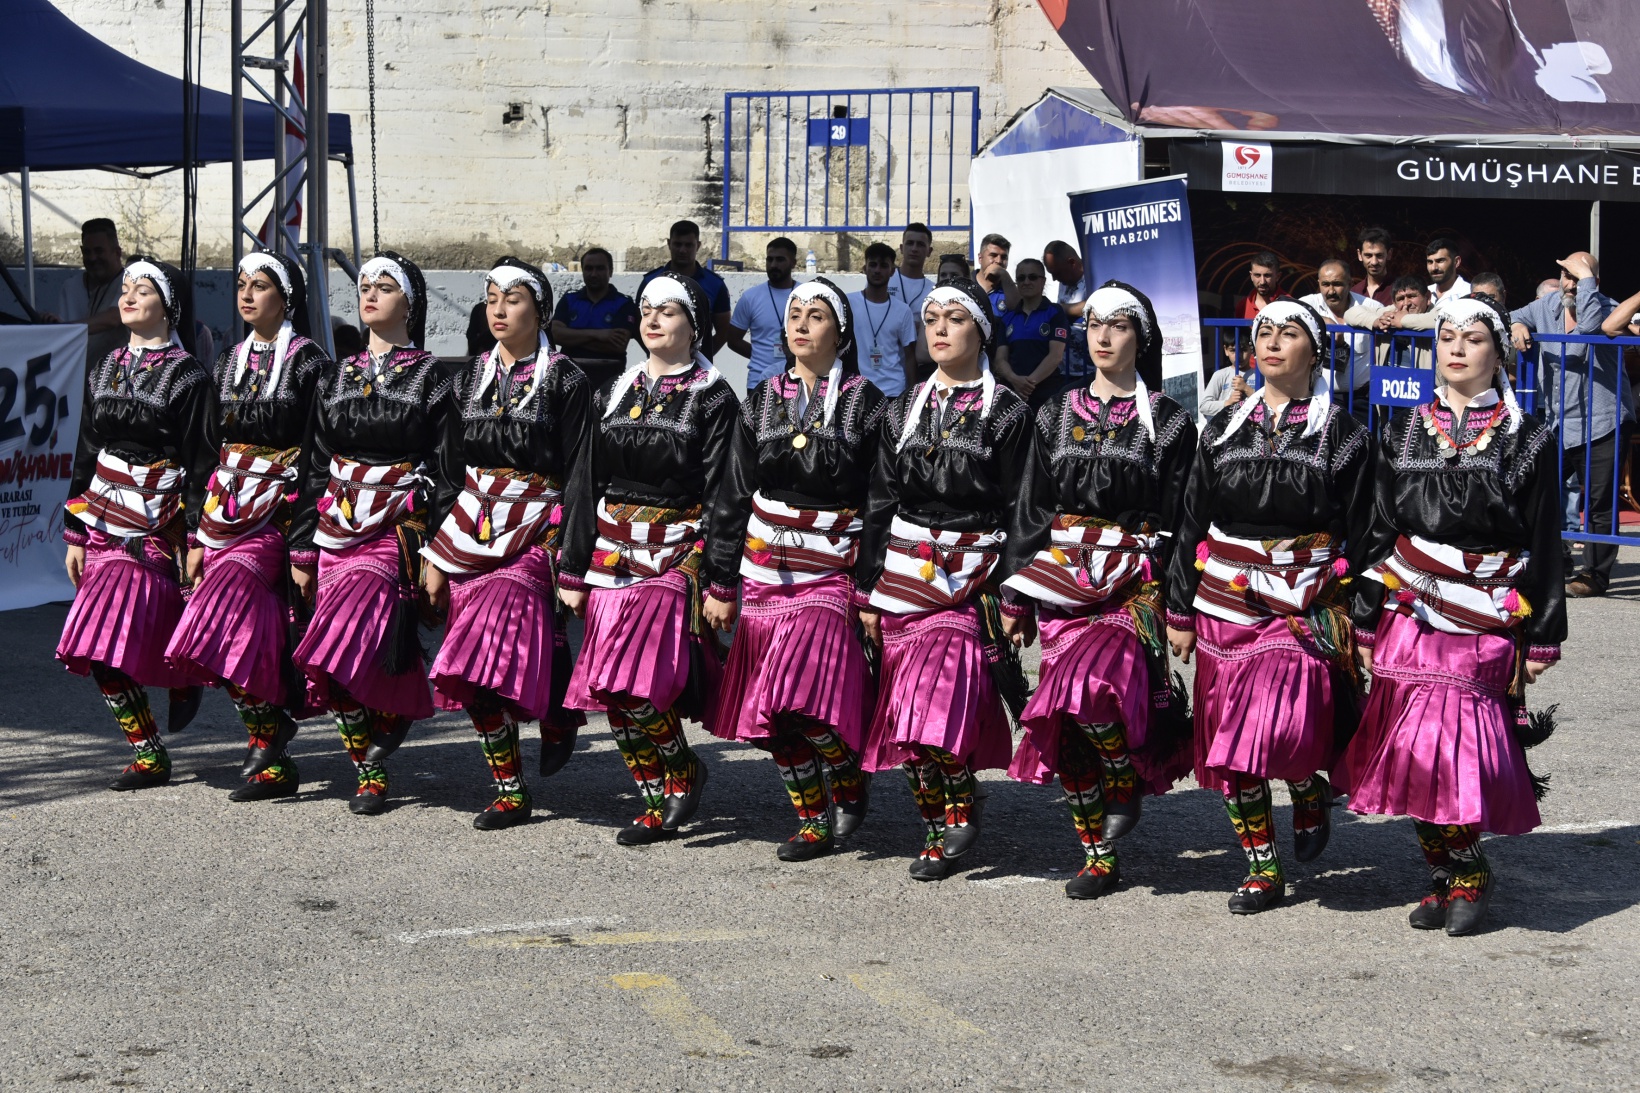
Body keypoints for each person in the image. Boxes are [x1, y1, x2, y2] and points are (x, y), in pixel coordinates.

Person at [1340, 294, 1565, 936]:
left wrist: (1544, 632)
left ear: (1498, 354)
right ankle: (1440, 873)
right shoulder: (1403, 430)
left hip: (1487, 610)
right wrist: (1363, 615)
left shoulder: (1528, 436)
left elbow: (1546, 538)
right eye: (1446, 337)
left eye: (1472, 338)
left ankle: (1469, 874)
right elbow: (1379, 531)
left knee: (1456, 749)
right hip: (1409, 607)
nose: (1457, 348)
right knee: (1412, 749)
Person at [1166, 299, 1375, 915]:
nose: (1273, 341)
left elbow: (1366, 531)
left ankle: (1309, 783)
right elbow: (1190, 522)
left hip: (1302, 603)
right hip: (1223, 604)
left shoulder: (1344, 435)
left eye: (1289, 332)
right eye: (1263, 332)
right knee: (1233, 745)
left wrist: (1365, 615)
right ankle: (1262, 866)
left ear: (1315, 349)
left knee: (1277, 725)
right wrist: (1177, 608)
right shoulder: (1223, 428)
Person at [1002, 282, 1197, 900]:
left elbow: (1181, 516)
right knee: (1067, 724)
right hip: (1062, 582)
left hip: (1130, 585)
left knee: (1089, 691)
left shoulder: (1169, 422)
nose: (1104, 335)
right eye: (1093, 324)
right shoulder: (1055, 414)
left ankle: (1123, 776)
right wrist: (1015, 597)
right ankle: (1096, 854)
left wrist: (1174, 598)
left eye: (1118, 325)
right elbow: (1031, 507)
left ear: (1142, 339)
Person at [856, 279, 1033, 881]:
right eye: (931, 317)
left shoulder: (1009, 414)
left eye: (954, 318)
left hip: (971, 575)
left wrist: (1013, 591)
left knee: (936, 704)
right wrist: (867, 589)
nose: (938, 328)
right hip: (903, 572)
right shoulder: (901, 409)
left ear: (980, 332)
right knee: (905, 712)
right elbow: (880, 501)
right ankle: (936, 820)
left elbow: (1021, 510)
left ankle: (957, 811)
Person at [702, 278, 883, 859]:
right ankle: (810, 817)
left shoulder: (867, 402)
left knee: (801, 695)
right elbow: (732, 494)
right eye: (794, 315)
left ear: (841, 330)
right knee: (773, 712)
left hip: (831, 567)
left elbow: (882, 501)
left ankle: (846, 773)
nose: (801, 324)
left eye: (816, 315)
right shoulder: (759, 401)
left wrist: (873, 584)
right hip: (763, 568)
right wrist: (721, 579)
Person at [559, 274, 739, 845]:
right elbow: (586, 479)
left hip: (673, 555)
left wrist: (716, 575)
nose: (653, 319)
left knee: (638, 684)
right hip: (611, 553)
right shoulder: (613, 389)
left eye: (667, 310)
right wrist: (572, 564)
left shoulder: (714, 396)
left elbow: (725, 491)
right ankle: (653, 791)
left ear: (695, 325)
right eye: (645, 310)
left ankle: (681, 772)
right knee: (610, 688)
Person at [422, 258, 592, 830]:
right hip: (470, 531)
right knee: (474, 675)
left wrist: (568, 559)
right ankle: (510, 787)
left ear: (539, 309)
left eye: (513, 298)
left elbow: (580, 475)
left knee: (481, 656)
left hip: (534, 534)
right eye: (491, 297)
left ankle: (554, 705)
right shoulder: (466, 378)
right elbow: (448, 471)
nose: (498, 308)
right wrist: (435, 553)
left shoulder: (568, 380)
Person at [290, 252, 455, 815]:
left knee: (350, 632)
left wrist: (435, 545)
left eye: (385, 287)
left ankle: (395, 714)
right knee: (333, 661)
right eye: (364, 286)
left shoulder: (434, 377)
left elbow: (445, 464)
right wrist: (302, 545)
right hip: (336, 521)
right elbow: (315, 464)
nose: (370, 294)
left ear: (410, 301)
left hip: (395, 526)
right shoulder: (336, 374)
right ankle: (368, 770)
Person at [164, 252, 328, 802]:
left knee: (225, 605)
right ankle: (270, 752)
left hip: (277, 514)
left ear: (286, 299)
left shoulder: (310, 363)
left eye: (260, 286)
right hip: (225, 509)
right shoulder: (229, 360)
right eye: (241, 286)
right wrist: (194, 532)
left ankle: (278, 731)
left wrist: (305, 538)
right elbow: (207, 449)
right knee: (228, 638)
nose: (247, 295)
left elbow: (318, 456)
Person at [56, 257, 214, 789]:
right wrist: (75, 530)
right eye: (125, 288)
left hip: (156, 521)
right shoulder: (104, 367)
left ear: (167, 307)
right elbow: (85, 448)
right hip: (102, 516)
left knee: (131, 630)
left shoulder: (189, 375)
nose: (127, 297)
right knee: (97, 645)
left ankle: (184, 676)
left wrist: (196, 537)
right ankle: (149, 752)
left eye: (142, 290)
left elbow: (200, 462)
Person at [1510, 251, 1633, 597]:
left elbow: (1590, 331)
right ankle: (1547, 561)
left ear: (1593, 282)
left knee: (1599, 503)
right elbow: (1508, 315)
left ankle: (1594, 575)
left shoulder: (1605, 305)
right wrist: (1518, 325)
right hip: (1558, 421)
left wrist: (1588, 286)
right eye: (1567, 275)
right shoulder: (1547, 305)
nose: (1570, 284)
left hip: (1603, 420)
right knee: (1536, 492)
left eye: (1579, 277)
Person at [638, 221, 732, 359]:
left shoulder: (715, 284)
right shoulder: (650, 281)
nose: (682, 250)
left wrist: (701, 354)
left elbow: (724, 331)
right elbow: (639, 324)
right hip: (658, 364)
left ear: (698, 246)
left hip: (699, 367)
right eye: (677, 244)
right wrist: (657, 352)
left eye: (688, 245)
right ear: (669, 244)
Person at [551, 247, 639, 391]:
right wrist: (598, 334)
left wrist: (571, 339)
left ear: (610, 271)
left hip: (609, 380)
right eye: (589, 268)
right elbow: (555, 334)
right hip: (569, 379)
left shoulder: (624, 304)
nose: (593, 274)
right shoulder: (569, 300)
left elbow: (617, 345)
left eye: (600, 268)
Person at [50, 218, 129, 373]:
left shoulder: (132, 280)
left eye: (99, 251)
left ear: (117, 252)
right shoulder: (78, 287)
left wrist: (65, 329)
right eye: (87, 252)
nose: (93, 258)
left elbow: (113, 318)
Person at [992, 258, 1069, 408]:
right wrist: (1015, 380)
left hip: (1047, 395)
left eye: (1032, 277)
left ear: (1043, 281)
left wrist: (1027, 385)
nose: (1026, 282)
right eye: (1021, 278)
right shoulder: (1008, 318)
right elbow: (1000, 360)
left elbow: (1055, 356)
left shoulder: (1054, 312)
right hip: (1013, 394)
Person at [1300, 258, 1372, 412]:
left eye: (1337, 284)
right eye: (1325, 284)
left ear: (1350, 283)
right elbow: (1279, 308)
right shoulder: (1307, 305)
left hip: (1361, 400)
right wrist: (1321, 320)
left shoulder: (1370, 307)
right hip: (1319, 398)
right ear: (1318, 283)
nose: (1331, 291)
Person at [847, 242, 918, 396]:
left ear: (892, 271)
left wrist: (911, 395)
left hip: (893, 391)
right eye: (873, 265)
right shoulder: (849, 303)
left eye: (884, 266)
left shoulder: (903, 310)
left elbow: (910, 356)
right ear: (865, 268)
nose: (877, 270)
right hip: (858, 390)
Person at [727, 237, 798, 389]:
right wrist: (758, 355)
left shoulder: (805, 295)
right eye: (769, 259)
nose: (773, 265)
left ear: (793, 263)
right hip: (759, 383)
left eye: (780, 260)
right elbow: (733, 340)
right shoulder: (750, 297)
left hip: (798, 382)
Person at [1343, 275, 1436, 370]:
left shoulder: (1438, 312)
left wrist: (1402, 320)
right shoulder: (1391, 313)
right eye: (1400, 299)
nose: (1406, 303)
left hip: (1424, 383)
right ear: (1394, 303)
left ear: (1427, 297)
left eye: (1411, 296)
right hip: (1388, 383)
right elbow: (1350, 313)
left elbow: (1437, 319)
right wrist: (1375, 321)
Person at [1044, 240, 1093, 396]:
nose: (1054, 279)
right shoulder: (1065, 280)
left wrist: (1058, 309)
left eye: (1056, 273)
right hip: (1065, 370)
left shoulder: (1094, 275)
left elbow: (1094, 305)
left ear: (1071, 262)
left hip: (1091, 371)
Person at [889, 223, 936, 379]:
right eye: (910, 243)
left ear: (929, 251)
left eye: (921, 244)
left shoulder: (933, 290)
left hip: (918, 366)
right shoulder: (885, 281)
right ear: (901, 248)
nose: (914, 249)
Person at [1200, 334, 1258, 418]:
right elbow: (1203, 406)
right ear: (1226, 350)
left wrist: (1246, 389)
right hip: (1226, 428)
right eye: (1233, 351)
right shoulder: (1220, 375)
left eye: (1244, 350)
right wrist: (1227, 402)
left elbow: (1269, 404)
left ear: (1251, 350)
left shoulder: (1260, 376)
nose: (1238, 356)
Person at [1231, 251, 1284, 320]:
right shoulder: (1243, 305)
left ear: (1278, 276)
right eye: (1257, 275)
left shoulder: (1290, 305)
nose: (1262, 282)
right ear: (1251, 276)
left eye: (1267, 275)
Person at [975, 233, 1020, 314]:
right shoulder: (967, 283)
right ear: (980, 258)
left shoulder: (1009, 290)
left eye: (1004, 257)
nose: (999, 261)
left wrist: (1005, 276)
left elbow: (1018, 311)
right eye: (993, 255)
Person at [1353, 227, 1395, 306]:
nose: (1374, 262)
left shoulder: (1402, 291)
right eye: (1368, 255)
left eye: (1379, 255)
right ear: (1359, 255)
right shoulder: (1354, 293)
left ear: (1389, 254)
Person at [1426, 238, 1471, 303]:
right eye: (1430, 262)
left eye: (1440, 261)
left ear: (1456, 261)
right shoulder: (1425, 293)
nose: (1434, 268)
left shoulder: (1469, 293)